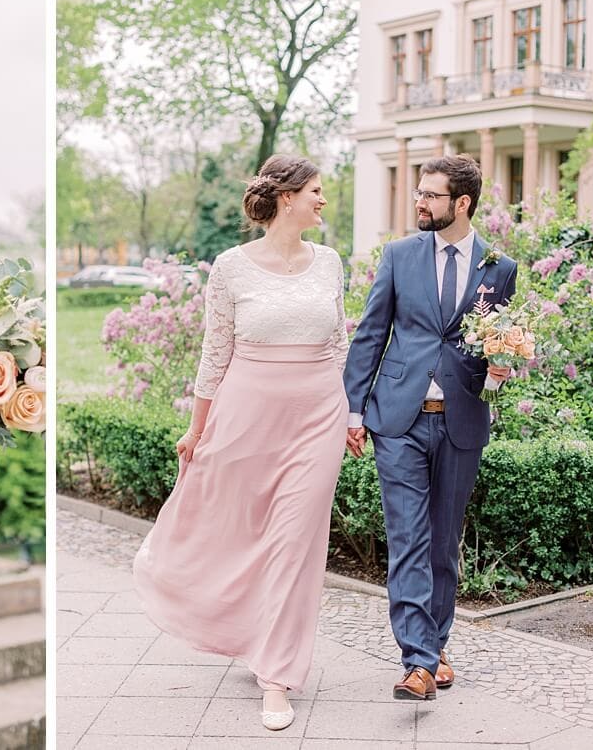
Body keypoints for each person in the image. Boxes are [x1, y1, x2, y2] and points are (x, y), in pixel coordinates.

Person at [133, 155, 349, 732]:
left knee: (296, 539)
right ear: (287, 197)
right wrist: (197, 429)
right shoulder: (230, 268)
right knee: (243, 530)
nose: (324, 200)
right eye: (317, 191)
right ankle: (245, 626)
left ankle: (277, 675)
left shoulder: (330, 263)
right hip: (247, 415)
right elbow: (215, 351)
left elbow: (340, 345)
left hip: (319, 416)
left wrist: (350, 416)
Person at [343, 154, 516, 701]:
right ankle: (417, 659)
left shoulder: (499, 268)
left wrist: (501, 370)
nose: (419, 202)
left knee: (443, 543)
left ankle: (437, 647)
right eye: (418, 193)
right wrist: (354, 411)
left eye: (431, 195)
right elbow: (370, 334)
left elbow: (495, 345)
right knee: (408, 540)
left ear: (461, 203)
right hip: (399, 420)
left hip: (462, 421)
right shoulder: (398, 256)